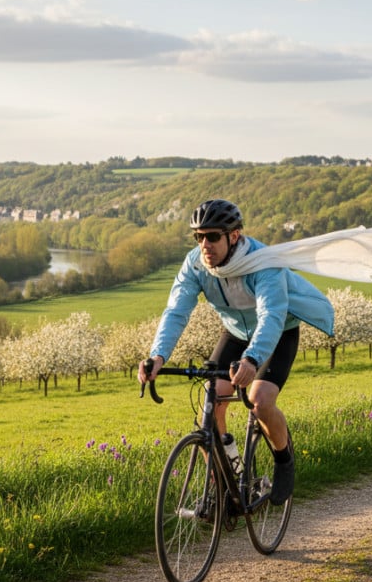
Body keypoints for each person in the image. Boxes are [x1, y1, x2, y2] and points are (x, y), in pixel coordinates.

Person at [138, 199, 335, 505]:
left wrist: (252, 359)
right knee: (210, 400)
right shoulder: (195, 265)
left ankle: (284, 460)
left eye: (213, 236)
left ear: (235, 236)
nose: (205, 244)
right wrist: (158, 356)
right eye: (198, 237)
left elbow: (271, 316)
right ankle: (227, 480)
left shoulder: (263, 263)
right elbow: (176, 311)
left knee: (259, 401)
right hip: (235, 332)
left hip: (278, 331)